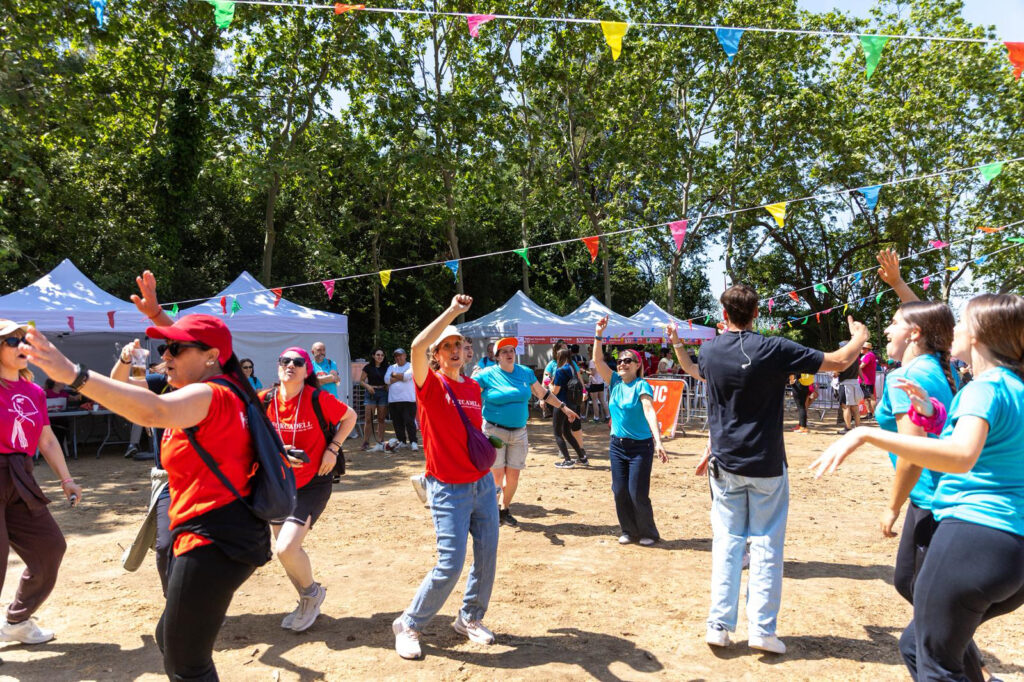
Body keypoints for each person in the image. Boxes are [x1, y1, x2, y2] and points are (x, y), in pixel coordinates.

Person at [23, 307, 274, 681]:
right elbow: (142, 391)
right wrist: (156, 317)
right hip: (221, 532)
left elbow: (152, 411)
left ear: (211, 357)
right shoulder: (219, 387)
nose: (166, 356)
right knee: (169, 639)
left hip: (215, 538)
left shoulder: (212, 393)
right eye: (164, 348)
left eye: (175, 349)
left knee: (187, 664)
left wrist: (74, 374)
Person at [812, 293, 1024, 682]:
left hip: (975, 537)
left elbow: (962, 455)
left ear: (979, 335)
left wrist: (867, 435)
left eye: (962, 322)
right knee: (918, 644)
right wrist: (933, 413)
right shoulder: (1013, 386)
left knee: (935, 664)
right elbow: (991, 442)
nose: (953, 330)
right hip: (1012, 553)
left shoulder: (984, 387)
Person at [668, 284, 869, 655]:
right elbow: (840, 361)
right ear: (757, 313)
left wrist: (679, 343)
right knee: (765, 546)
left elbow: (693, 370)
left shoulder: (710, 350)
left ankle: (718, 625)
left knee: (727, 544)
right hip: (766, 464)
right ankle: (761, 630)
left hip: (725, 463)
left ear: (724, 314)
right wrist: (860, 336)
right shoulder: (774, 348)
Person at [392, 295, 499, 661]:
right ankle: (409, 624)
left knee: (487, 556)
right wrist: (453, 312)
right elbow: (415, 347)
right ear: (436, 355)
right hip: (448, 488)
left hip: (482, 483)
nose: (454, 350)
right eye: (446, 346)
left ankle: (469, 618)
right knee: (450, 563)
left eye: (458, 345)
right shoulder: (430, 384)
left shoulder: (472, 387)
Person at [261, 346, 356, 632]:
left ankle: (312, 594)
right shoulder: (265, 399)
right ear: (278, 366)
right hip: (278, 483)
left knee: (286, 547)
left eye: (298, 362)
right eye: (285, 361)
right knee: (285, 551)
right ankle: (306, 599)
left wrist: (332, 448)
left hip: (313, 482)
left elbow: (350, 417)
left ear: (307, 370)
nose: (290, 365)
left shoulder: (318, 398)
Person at [0, 320, 82, 645]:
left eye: (25, 341)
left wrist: (67, 479)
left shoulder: (34, 392)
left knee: (50, 547)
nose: (21, 346)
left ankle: (18, 620)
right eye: (11, 341)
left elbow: (46, 439)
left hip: (21, 475)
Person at [475, 337, 579, 526]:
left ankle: (504, 509)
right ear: (497, 356)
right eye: (504, 351)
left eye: (511, 350)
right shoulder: (486, 375)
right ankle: (491, 511)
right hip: (493, 432)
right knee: (496, 475)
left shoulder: (525, 373)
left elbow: (543, 393)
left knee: (513, 475)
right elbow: (467, 393)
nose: (509, 354)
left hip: (519, 433)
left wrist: (563, 407)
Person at [591, 318, 668, 546]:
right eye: (619, 361)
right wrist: (598, 334)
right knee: (619, 491)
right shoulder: (614, 381)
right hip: (617, 445)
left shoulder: (641, 385)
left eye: (627, 360)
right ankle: (628, 530)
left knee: (637, 493)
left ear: (637, 365)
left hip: (640, 447)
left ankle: (648, 533)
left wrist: (658, 441)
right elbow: (598, 360)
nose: (622, 363)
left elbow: (649, 410)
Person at [111, 339, 175, 591]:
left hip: (206, 479)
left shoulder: (210, 385)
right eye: (167, 354)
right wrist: (129, 359)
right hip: (169, 479)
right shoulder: (161, 382)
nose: (168, 357)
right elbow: (125, 385)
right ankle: (175, 603)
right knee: (165, 545)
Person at [550, 348, 588, 468]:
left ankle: (567, 460)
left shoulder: (560, 370)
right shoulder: (572, 368)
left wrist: (548, 384)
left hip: (561, 404)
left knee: (557, 433)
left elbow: (555, 391)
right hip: (572, 404)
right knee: (567, 432)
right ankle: (582, 457)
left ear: (559, 357)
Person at [385, 348, 418, 451]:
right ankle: (402, 441)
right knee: (397, 423)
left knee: (409, 421)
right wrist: (401, 376)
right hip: (393, 400)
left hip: (408, 399)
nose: (398, 357)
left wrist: (394, 375)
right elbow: (386, 380)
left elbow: (407, 377)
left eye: (400, 355)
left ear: (405, 356)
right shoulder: (391, 367)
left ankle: (413, 442)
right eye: (396, 356)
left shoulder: (411, 366)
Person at [359, 350, 388, 451]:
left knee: (381, 419)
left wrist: (388, 386)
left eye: (382, 355)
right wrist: (368, 386)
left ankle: (381, 441)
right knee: (368, 419)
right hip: (371, 393)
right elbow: (361, 381)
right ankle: (366, 442)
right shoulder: (368, 367)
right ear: (373, 356)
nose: (380, 357)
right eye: (378, 355)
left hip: (383, 393)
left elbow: (390, 379)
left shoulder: (387, 367)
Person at [837, 346, 863, 434]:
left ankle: (848, 428)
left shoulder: (842, 357)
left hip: (845, 384)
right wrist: (862, 378)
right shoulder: (855, 356)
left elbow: (836, 373)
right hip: (855, 383)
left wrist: (834, 373)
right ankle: (858, 427)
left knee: (846, 407)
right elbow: (859, 368)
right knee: (855, 407)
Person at [587, 346, 609, 423]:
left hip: (594, 383)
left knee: (595, 401)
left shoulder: (592, 361)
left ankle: (596, 418)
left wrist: (584, 371)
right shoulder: (601, 361)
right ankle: (607, 416)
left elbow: (592, 373)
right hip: (601, 382)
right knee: (602, 400)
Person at [859, 343, 878, 417]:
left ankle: (875, 414)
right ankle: (869, 413)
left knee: (871, 397)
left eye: (862, 348)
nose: (861, 349)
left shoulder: (868, 355)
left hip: (867, 380)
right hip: (866, 379)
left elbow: (862, 366)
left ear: (867, 349)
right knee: (866, 397)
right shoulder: (869, 355)